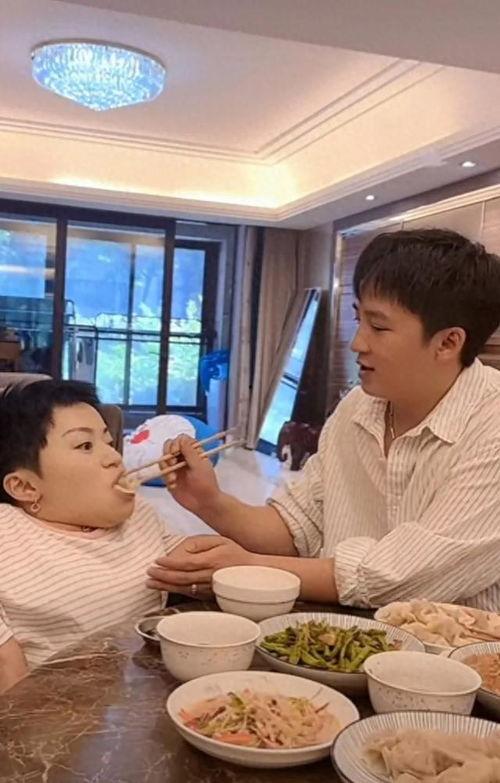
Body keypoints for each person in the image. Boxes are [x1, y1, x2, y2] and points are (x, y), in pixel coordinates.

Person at [146, 229, 500, 612]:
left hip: (457, 646)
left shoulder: (490, 421)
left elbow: (405, 575)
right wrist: (210, 501)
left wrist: (252, 567)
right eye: (358, 319)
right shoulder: (357, 407)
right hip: (342, 633)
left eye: (379, 327)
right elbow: (297, 529)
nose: (357, 342)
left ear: (448, 342)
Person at [0, 380, 199, 693]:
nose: (114, 457)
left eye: (108, 441)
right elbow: (8, 672)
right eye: (85, 446)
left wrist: (208, 501)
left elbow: (205, 564)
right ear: (25, 487)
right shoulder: (7, 537)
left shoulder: (139, 516)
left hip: (143, 692)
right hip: (53, 709)